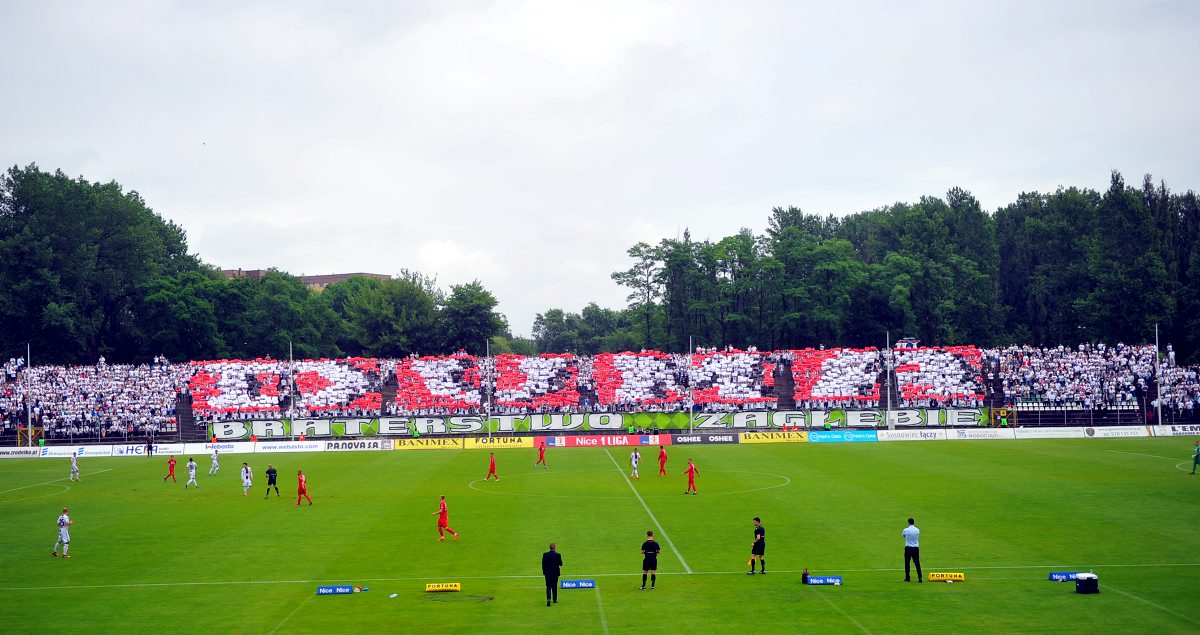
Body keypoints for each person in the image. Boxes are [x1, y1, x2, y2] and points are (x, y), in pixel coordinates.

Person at [902, 517, 922, 582]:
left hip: (908, 548)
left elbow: (903, 536)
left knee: (907, 563)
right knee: (917, 563)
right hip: (916, 548)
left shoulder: (905, 530)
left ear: (908, 522)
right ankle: (920, 577)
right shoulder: (917, 530)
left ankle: (907, 577)